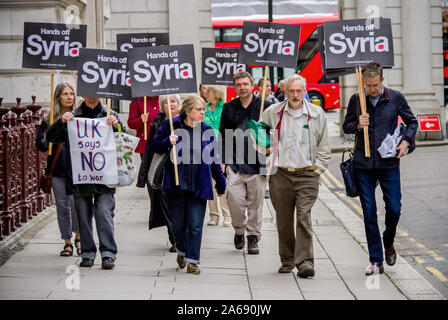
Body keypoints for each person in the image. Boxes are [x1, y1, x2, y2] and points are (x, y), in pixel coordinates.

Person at [343, 62, 417, 276]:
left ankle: (388, 241)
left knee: (394, 208)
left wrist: (406, 142)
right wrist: (357, 123)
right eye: (368, 86)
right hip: (363, 164)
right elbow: (346, 126)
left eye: (375, 85)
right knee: (368, 212)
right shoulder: (357, 98)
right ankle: (376, 260)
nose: (372, 89)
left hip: (388, 162)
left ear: (382, 80)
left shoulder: (395, 97)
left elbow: (412, 122)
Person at [261, 74, 331, 277]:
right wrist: (263, 149)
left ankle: (305, 262)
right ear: (285, 91)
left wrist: (317, 169)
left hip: (307, 175)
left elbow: (324, 146)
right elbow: (258, 135)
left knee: (303, 217)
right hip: (280, 174)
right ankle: (287, 259)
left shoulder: (317, 114)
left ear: (305, 91)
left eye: (299, 90)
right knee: (283, 220)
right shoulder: (272, 112)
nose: (295, 94)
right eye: (291, 90)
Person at [46, 96, 125, 270]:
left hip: (104, 177)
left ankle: (108, 254)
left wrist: (116, 125)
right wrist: (61, 122)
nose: (91, 95)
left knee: (104, 213)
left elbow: (123, 137)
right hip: (80, 177)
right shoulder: (73, 115)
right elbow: (51, 137)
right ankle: (87, 253)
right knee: (83, 216)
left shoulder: (109, 113)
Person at [152, 95, 226, 275]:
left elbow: (214, 159)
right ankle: (181, 251)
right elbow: (154, 146)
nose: (203, 112)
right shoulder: (171, 126)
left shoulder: (207, 130)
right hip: (176, 184)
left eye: (203, 109)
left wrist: (221, 181)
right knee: (177, 225)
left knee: (195, 224)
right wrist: (166, 141)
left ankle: (193, 261)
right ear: (188, 111)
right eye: (199, 109)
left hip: (199, 183)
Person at [219, 71, 272, 255]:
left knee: (256, 203)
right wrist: (223, 160)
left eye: (245, 84)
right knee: (234, 200)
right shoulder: (228, 107)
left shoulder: (265, 106)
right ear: (235, 87)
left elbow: (275, 132)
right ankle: (239, 230)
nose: (242, 87)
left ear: (252, 86)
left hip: (258, 163)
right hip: (235, 162)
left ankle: (253, 237)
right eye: (239, 85)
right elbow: (223, 135)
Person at [36, 82, 81, 257]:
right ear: (58, 97)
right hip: (57, 169)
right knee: (62, 206)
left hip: (76, 169)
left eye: (71, 93)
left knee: (76, 205)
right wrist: (57, 124)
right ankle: (67, 242)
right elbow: (40, 144)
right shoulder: (49, 119)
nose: (69, 97)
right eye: (65, 94)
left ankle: (79, 237)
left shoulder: (79, 115)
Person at [137, 94, 181, 253]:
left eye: (173, 101)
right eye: (166, 102)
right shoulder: (157, 123)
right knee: (166, 206)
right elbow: (152, 148)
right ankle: (174, 239)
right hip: (162, 171)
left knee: (179, 205)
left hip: (181, 170)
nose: (171, 104)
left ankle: (182, 235)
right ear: (162, 107)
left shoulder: (185, 121)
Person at [203, 85, 231, 227]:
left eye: (208, 91)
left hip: (221, 149)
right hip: (205, 150)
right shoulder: (204, 107)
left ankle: (227, 214)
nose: (205, 93)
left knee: (222, 182)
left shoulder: (225, 108)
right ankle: (213, 215)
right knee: (210, 183)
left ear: (216, 94)